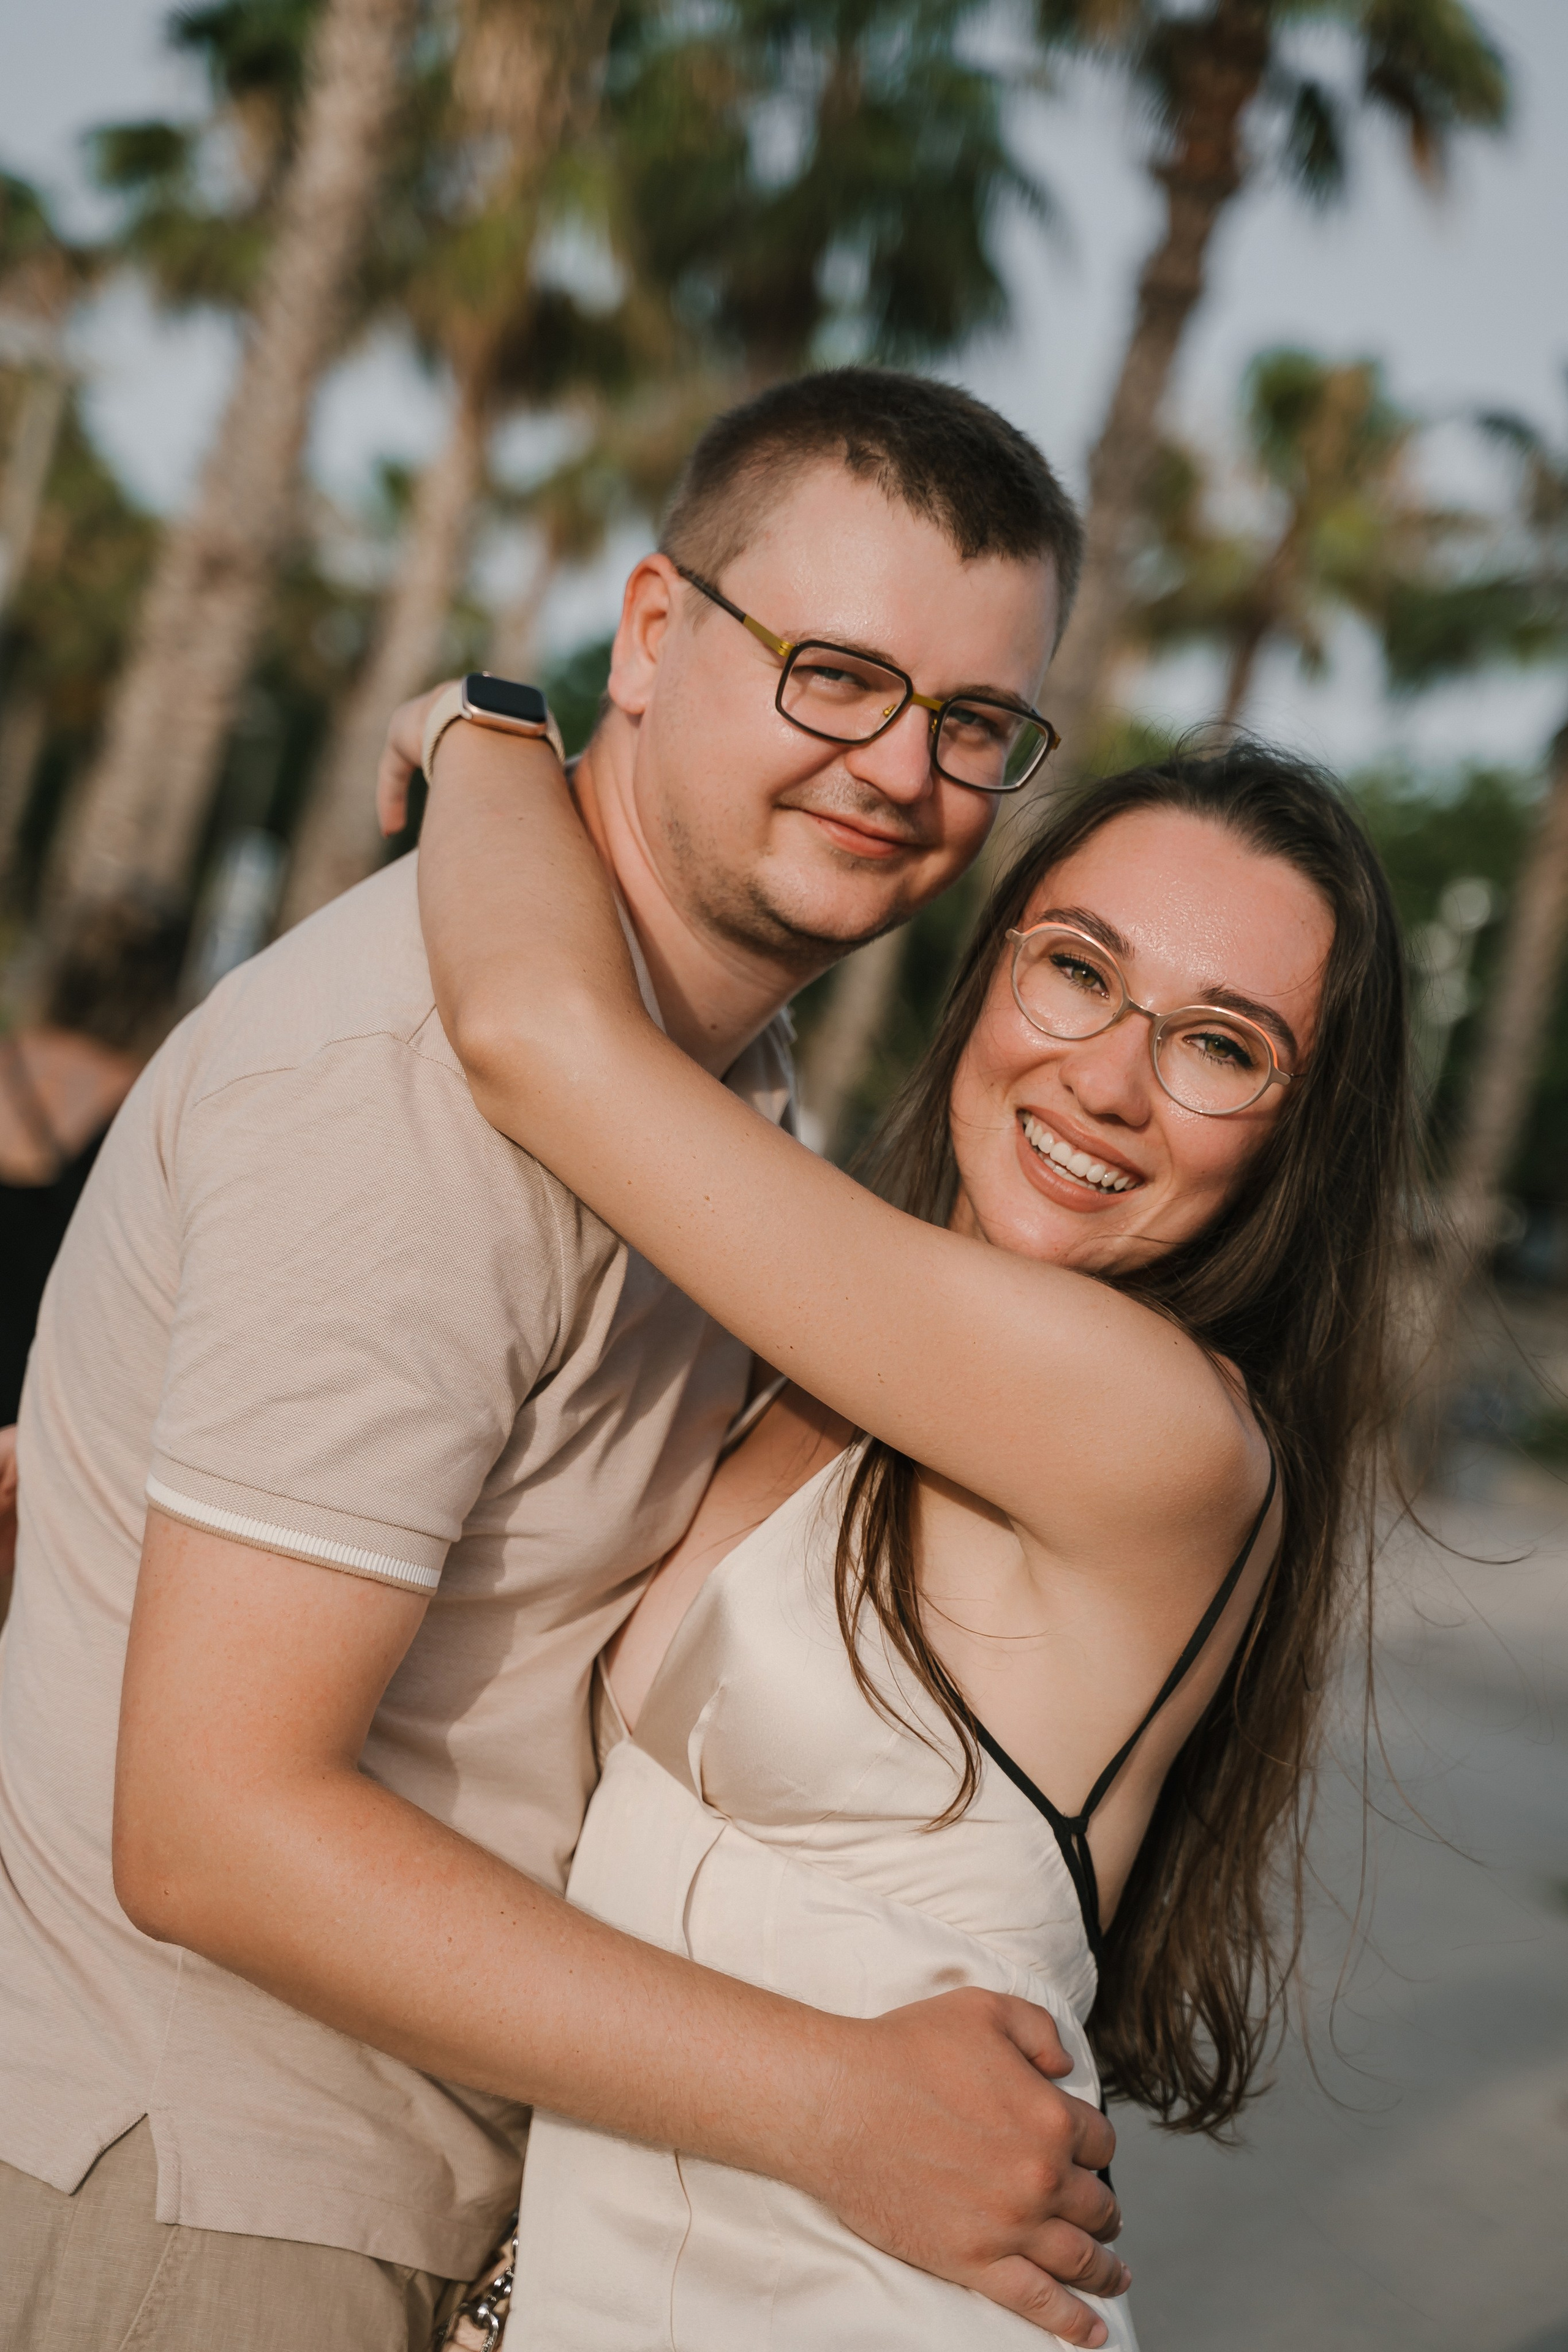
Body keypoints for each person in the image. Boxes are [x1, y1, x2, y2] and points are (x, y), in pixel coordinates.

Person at [0, 370, 1133, 2352]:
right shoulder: (415, 1097)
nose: (900, 768)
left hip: (373, 2185)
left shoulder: (707, 1108)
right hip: (205, 2192)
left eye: (975, 724)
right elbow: (211, 1826)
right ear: (649, 635)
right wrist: (837, 2103)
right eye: (838, 673)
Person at [411, 725, 1411, 2346]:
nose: (1106, 1077)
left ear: (1300, 1133)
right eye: (1078, 969)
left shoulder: (1152, 1425)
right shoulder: (811, 1355)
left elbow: (534, 1028)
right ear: (993, 964)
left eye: (1221, 1047)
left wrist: (482, 730)